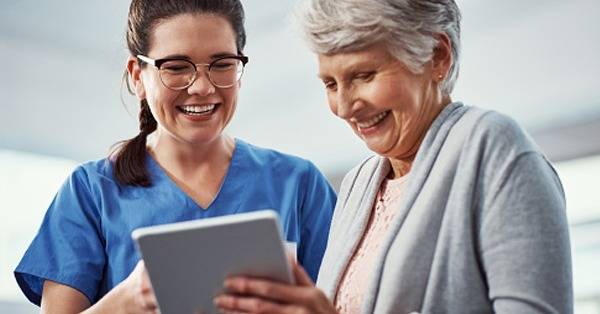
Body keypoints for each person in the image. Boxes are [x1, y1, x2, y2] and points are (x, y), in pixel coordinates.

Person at [214, 0, 573, 313]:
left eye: (364, 75)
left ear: (437, 56)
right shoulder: (358, 184)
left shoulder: (493, 148)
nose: (343, 106)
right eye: (330, 84)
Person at [14, 0, 336, 312]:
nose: (201, 87)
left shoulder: (300, 184)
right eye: (177, 68)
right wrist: (123, 304)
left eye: (222, 64)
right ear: (138, 76)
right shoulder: (90, 192)